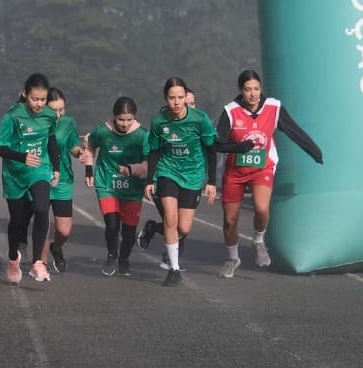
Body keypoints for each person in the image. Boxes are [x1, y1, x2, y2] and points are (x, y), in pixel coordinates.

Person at [215, 69, 324, 278]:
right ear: (241, 91)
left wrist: (314, 151)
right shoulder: (230, 111)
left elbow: (294, 130)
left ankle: (258, 241)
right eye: (248, 90)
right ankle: (232, 258)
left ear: (261, 89)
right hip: (235, 171)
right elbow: (218, 144)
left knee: (262, 208)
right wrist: (240, 148)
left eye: (256, 88)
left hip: (262, 168)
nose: (253, 94)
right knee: (230, 220)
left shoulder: (273, 107)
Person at [142, 77, 219, 286]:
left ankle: (151, 228)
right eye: (172, 98)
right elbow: (155, 150)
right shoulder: (159, 120)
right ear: (166, 98)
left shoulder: (200, 119)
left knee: (183, 228)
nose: (176, 102)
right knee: (170, 218)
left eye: (180, 97)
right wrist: (150, 180)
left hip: (193, 175)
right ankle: (174, 269)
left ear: (186, 97)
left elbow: (212, 150)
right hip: (168, 171)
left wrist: (212, 181)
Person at [0, 73, 62, 284]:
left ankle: (37, 263)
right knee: (17, 222)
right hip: (15, 173)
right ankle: (13, 258)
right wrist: (22, 157)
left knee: (42, 209)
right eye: (35, 99)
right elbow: (1, 148)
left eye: (42, 99)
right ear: (25, 94)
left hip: (39, 169)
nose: (39, 104)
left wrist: (56, 168)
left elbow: (51, 140)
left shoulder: (50, 115)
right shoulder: (12, 116)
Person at [85, 96, 151, 277]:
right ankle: (111, 255)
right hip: (107, 184)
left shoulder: (143, 135)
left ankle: (124, 259)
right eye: (121, 119)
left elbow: (149, 164)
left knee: (129, 231)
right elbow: (89, 146)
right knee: (112, 224)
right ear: (114, 116)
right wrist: (89, 170)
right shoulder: (103, 131)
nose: (125, 123)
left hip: (132, 189)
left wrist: (139, 175)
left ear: (135, 117)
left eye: (129, 119)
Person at [43, 87, 82, 273]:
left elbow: (73, 146)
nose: (58, 114)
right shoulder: (36, 123)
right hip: (40, 178)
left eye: (62, 109)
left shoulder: (68, 122)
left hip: (63, 180)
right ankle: (40, 264)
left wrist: (80, 153)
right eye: (54, 110)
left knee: (64, 230)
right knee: (43, 224)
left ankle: (56, 247)